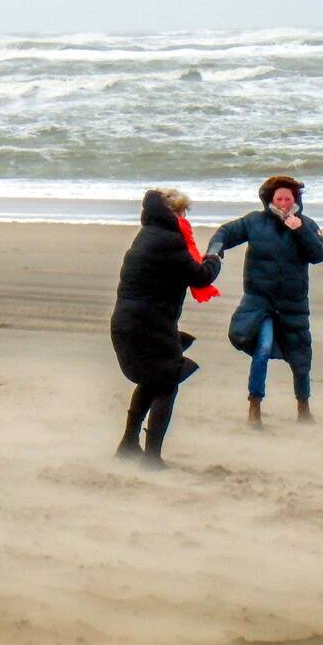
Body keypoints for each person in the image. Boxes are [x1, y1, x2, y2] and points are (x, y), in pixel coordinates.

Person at [110, 188, 221, 469]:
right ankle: (151, 458)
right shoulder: (169, 241)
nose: (185, 218)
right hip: (148, 325)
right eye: (183, 212)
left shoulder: (147, 234)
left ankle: (128, 445)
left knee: (152, 380)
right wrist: (214, 259)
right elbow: (200, 276)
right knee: (167, 382)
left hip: (130, 321)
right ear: (173, 213)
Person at [206, 175, 323, 427]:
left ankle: (303, 408)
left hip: (293, 304)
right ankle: (255, 405)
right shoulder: (255, 222)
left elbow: (320, 254)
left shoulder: (307, 224)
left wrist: (300, 230)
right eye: (279, 199)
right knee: (262, 349)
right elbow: (226, 233)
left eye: (288, 199)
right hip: (260, 302)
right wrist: (215, 251)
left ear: (295, 200)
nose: (284, 203)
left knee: (301, 359)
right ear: (270, 200)